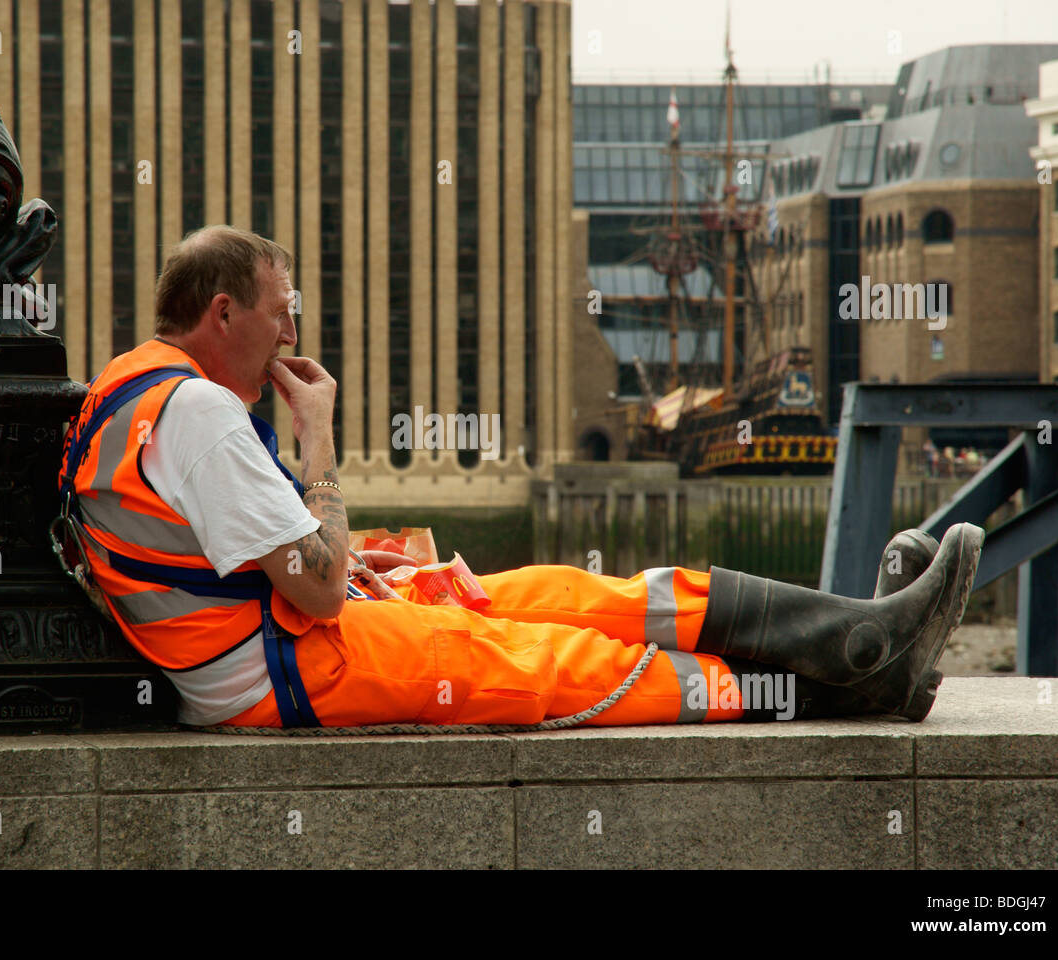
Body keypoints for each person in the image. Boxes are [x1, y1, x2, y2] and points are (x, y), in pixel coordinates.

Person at [57, 225, 983, 730]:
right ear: (223, 312)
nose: (291, 335)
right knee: (542, 664)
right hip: (272, 671)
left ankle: (852, 634)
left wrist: (344, 561)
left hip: (262, 636)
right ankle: (836, 685)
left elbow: (268, 562)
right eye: (280, 312)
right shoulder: (204, 415)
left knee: (562, 589)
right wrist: (320, 443)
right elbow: (323, 591)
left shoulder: (128, 390)